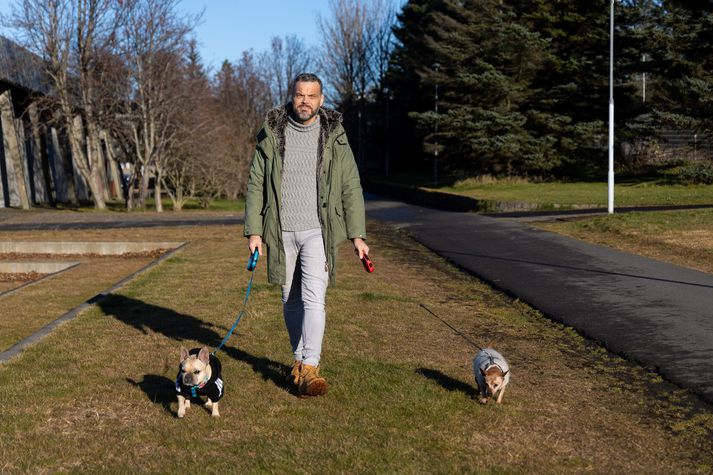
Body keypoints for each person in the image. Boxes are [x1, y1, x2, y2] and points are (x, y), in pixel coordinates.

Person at [244, 73, 368, 397]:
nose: (305, 101)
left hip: (318, 231)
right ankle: (299, 361)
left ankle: (310, 366)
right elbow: (256, 183)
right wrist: (254, 232)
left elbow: (350, 186)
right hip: (280, 229)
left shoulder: (335, 135)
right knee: (290, 300)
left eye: (311, 96)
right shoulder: (272, 131)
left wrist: (357, 235)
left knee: (315, 299)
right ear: (292, 96)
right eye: (300, 95)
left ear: (321, 100)